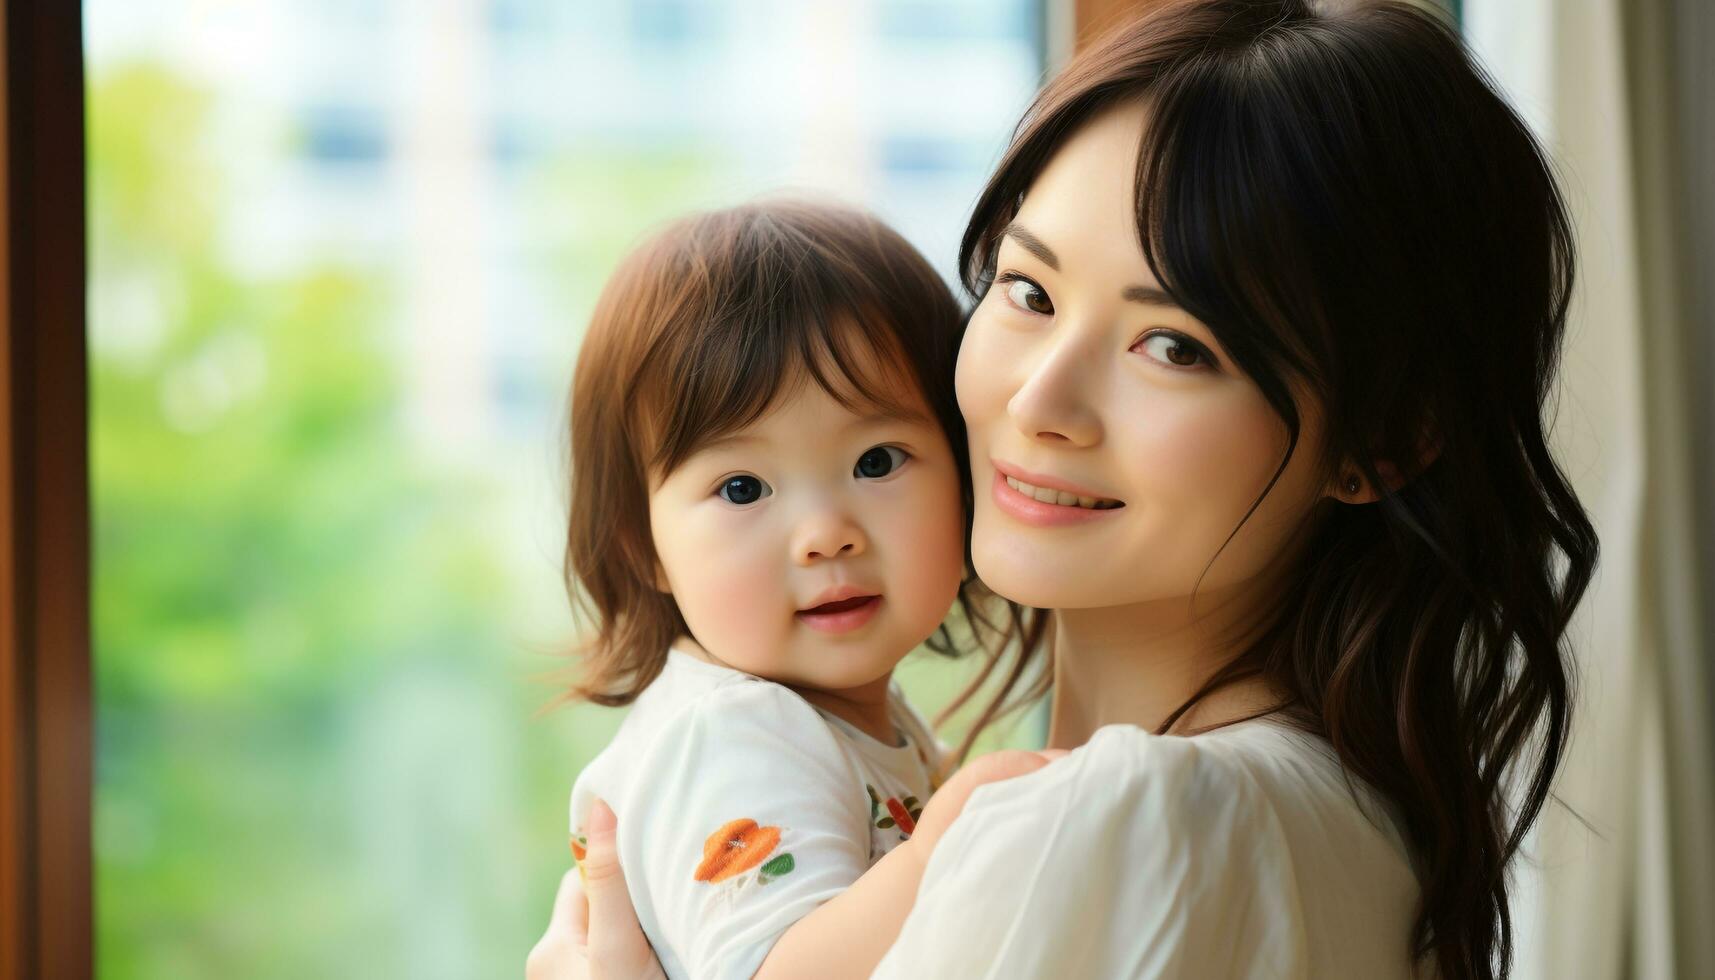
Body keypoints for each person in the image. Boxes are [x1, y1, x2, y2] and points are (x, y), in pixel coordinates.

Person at [529, 1, 1599, 977]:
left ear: (1383, 438)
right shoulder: (1368, 814)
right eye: (1028, 288)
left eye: (1173, 345)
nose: (1040, 399)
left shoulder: (1114, 820)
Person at [552, 199, 1060, 980]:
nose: (825, 533)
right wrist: (950, 837)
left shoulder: (835, 721)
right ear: (641, 545)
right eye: (744, 487)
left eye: (877, 461)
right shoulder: (735, 734)